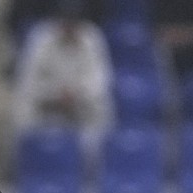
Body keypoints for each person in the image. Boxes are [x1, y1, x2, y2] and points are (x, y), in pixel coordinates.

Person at [12, 0, 115, 144]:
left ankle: (92, 161)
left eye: (73, 21)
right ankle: (30, 155)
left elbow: (100, 81)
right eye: (66, 21)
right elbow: (28, 81)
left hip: (81, 107)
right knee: (22, 107)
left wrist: (76, 94)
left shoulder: (92, 37)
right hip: (47, 106)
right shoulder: (41, 38)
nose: (69, 26)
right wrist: (55, 94)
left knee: (102, 109)